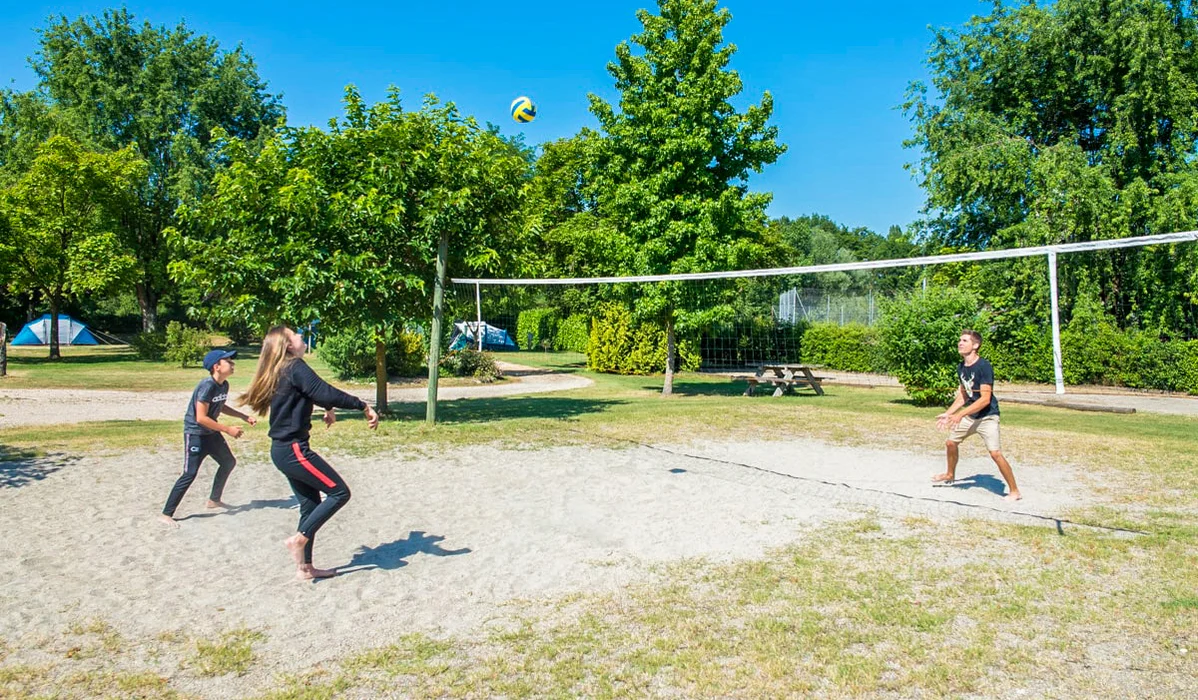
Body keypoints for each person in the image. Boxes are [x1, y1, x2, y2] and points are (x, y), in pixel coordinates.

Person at [239, 326, 379, 580]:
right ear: (288, 345)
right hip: (293, 450)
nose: (302, 336)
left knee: (310, 504)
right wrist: (363, 406)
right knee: (339, 492)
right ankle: (298, 540)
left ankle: (305, 568)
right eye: (296, 335)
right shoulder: (294, 367)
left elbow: (312, 392)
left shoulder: (285, 368)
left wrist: (327, 406)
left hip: (283, 450)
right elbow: (323, 390)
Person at [159, 349, 257, 528]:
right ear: (216, 366)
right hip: (195, 434)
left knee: (228, 462)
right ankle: (166, 514)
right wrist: (227, 429)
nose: (233, 364)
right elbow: (200, 417)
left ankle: (214, 500)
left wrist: (242, 416)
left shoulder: (223, 385)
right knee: (190, 474)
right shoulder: (207, 385)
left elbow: (220, 405)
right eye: (228, 361)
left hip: (210, 434)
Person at [934, 329, 1022, 502]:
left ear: (975, 345)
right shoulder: (961, 367)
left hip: (988, 416)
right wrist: (949, 413)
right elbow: (964, 394)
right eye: (960, 340)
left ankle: (1014, 491)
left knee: (995, 453)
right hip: (971, 416)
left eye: (965, 340)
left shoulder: (984, 366)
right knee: (951, 442)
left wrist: (960, 415)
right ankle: (950, 474)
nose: (960, 343)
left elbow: (985, 399)